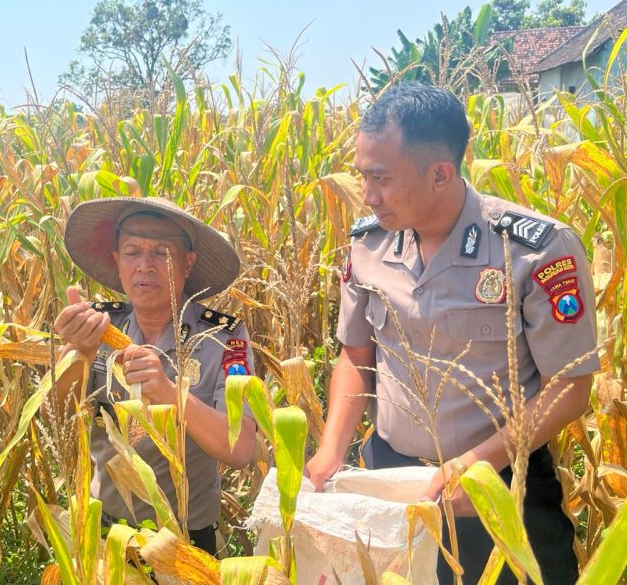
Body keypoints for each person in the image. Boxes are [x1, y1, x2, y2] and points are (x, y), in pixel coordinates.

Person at [304, 83, 599, 584]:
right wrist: (332, 446)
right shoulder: (368, 245)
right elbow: (356, 354)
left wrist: (477, 464)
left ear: (440, 173)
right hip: (391, 480)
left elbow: (570, 387)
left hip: (499, 485)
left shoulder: (532, 249)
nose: (367, 195)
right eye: (363, 176)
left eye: (381, 179)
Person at [53, 197, 257, 556]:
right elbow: (53, 414)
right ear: (117, 261)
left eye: (161, 253)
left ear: (188, 263)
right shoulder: (97, 327)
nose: (145, 266)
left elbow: (239, 450)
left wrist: (170, 395)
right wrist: (76, 355)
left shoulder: (225, 339)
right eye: (132, 252)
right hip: (107, 534)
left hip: (185, 538)